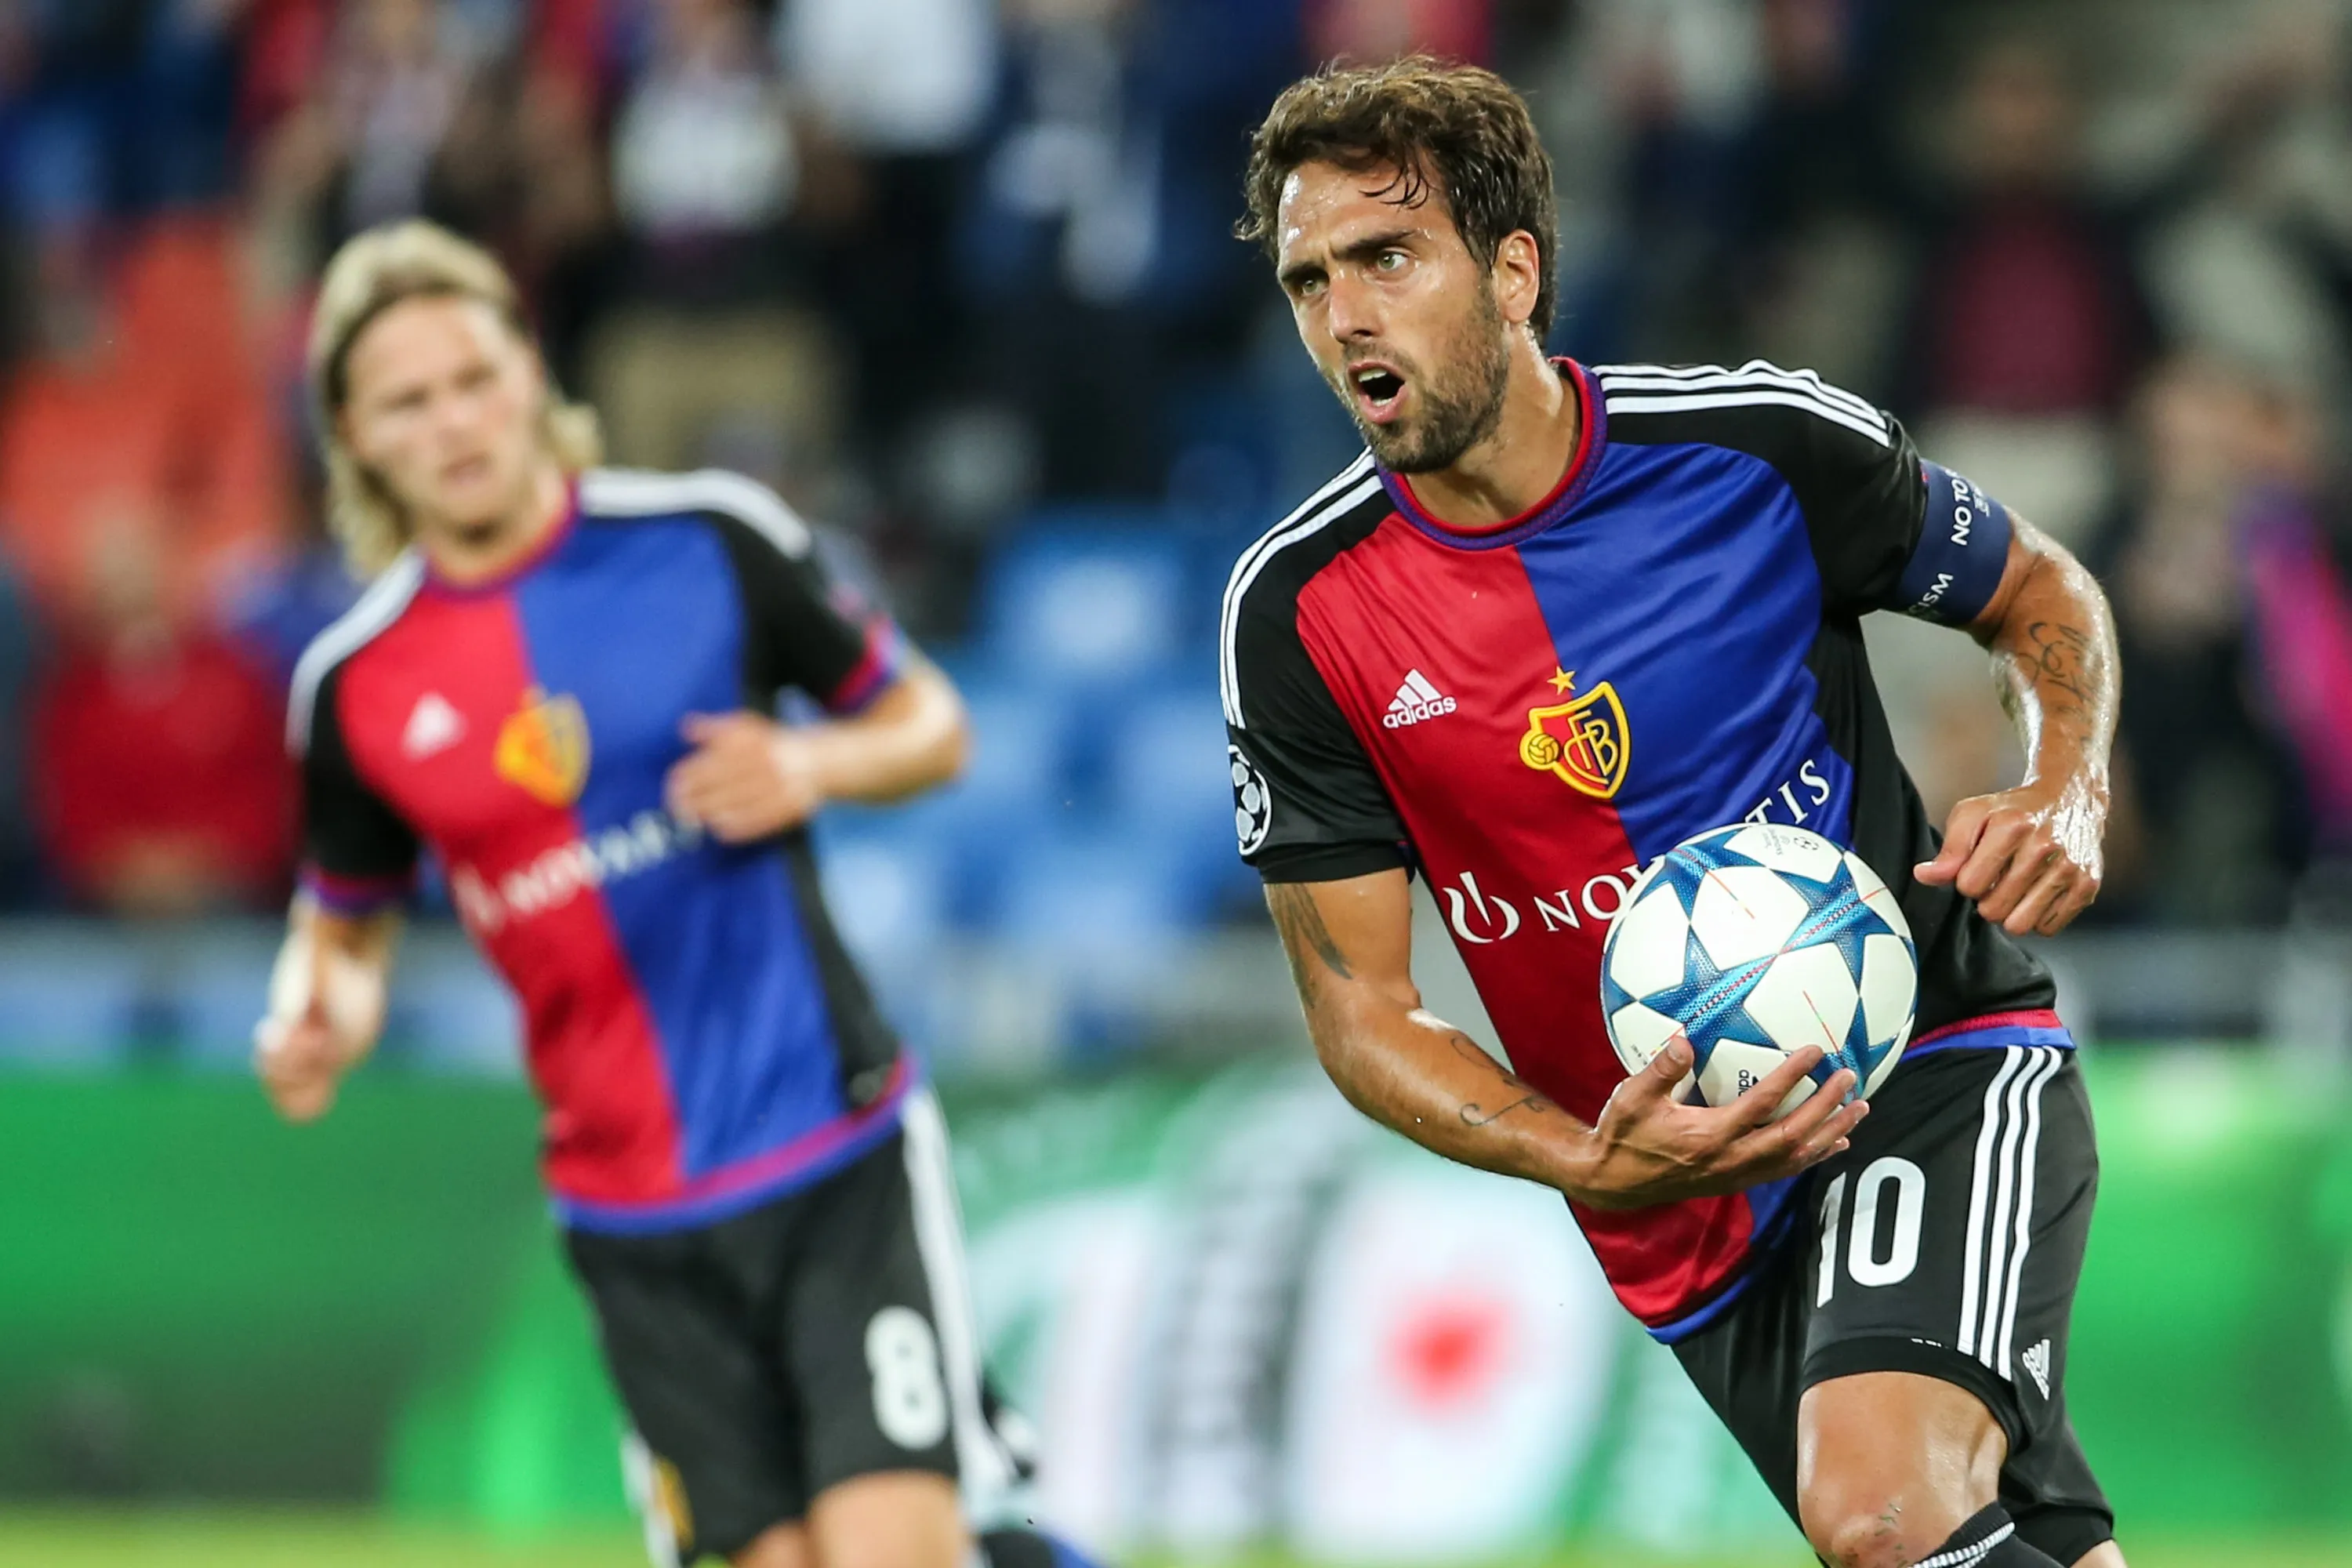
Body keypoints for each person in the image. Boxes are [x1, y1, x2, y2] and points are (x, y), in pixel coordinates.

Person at [1221, 60, 2123, 1568]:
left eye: (1388, 256)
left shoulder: (1755, 451)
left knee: (1882, 1514)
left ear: (1513, 273)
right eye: (1311, 279)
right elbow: (1362, 1012)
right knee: (1993, 1545)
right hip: (1674, 1213)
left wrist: (2067, 786)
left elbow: (2041, 591)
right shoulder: (1296, 618)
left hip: (1925, 1060)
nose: (1344, 316)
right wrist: (1585, 1163)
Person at [251, 220, 1087, 1568]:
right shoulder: (355, 688)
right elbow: (340, 924)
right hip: (632, 1218)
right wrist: (316, 1014)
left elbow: (933, 723)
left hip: (832, 1155)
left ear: (529, 370)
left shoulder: (708, 537)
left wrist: (810, 760)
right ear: (357, 436)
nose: (454, 421)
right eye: (408, 401)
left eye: (472, 376)